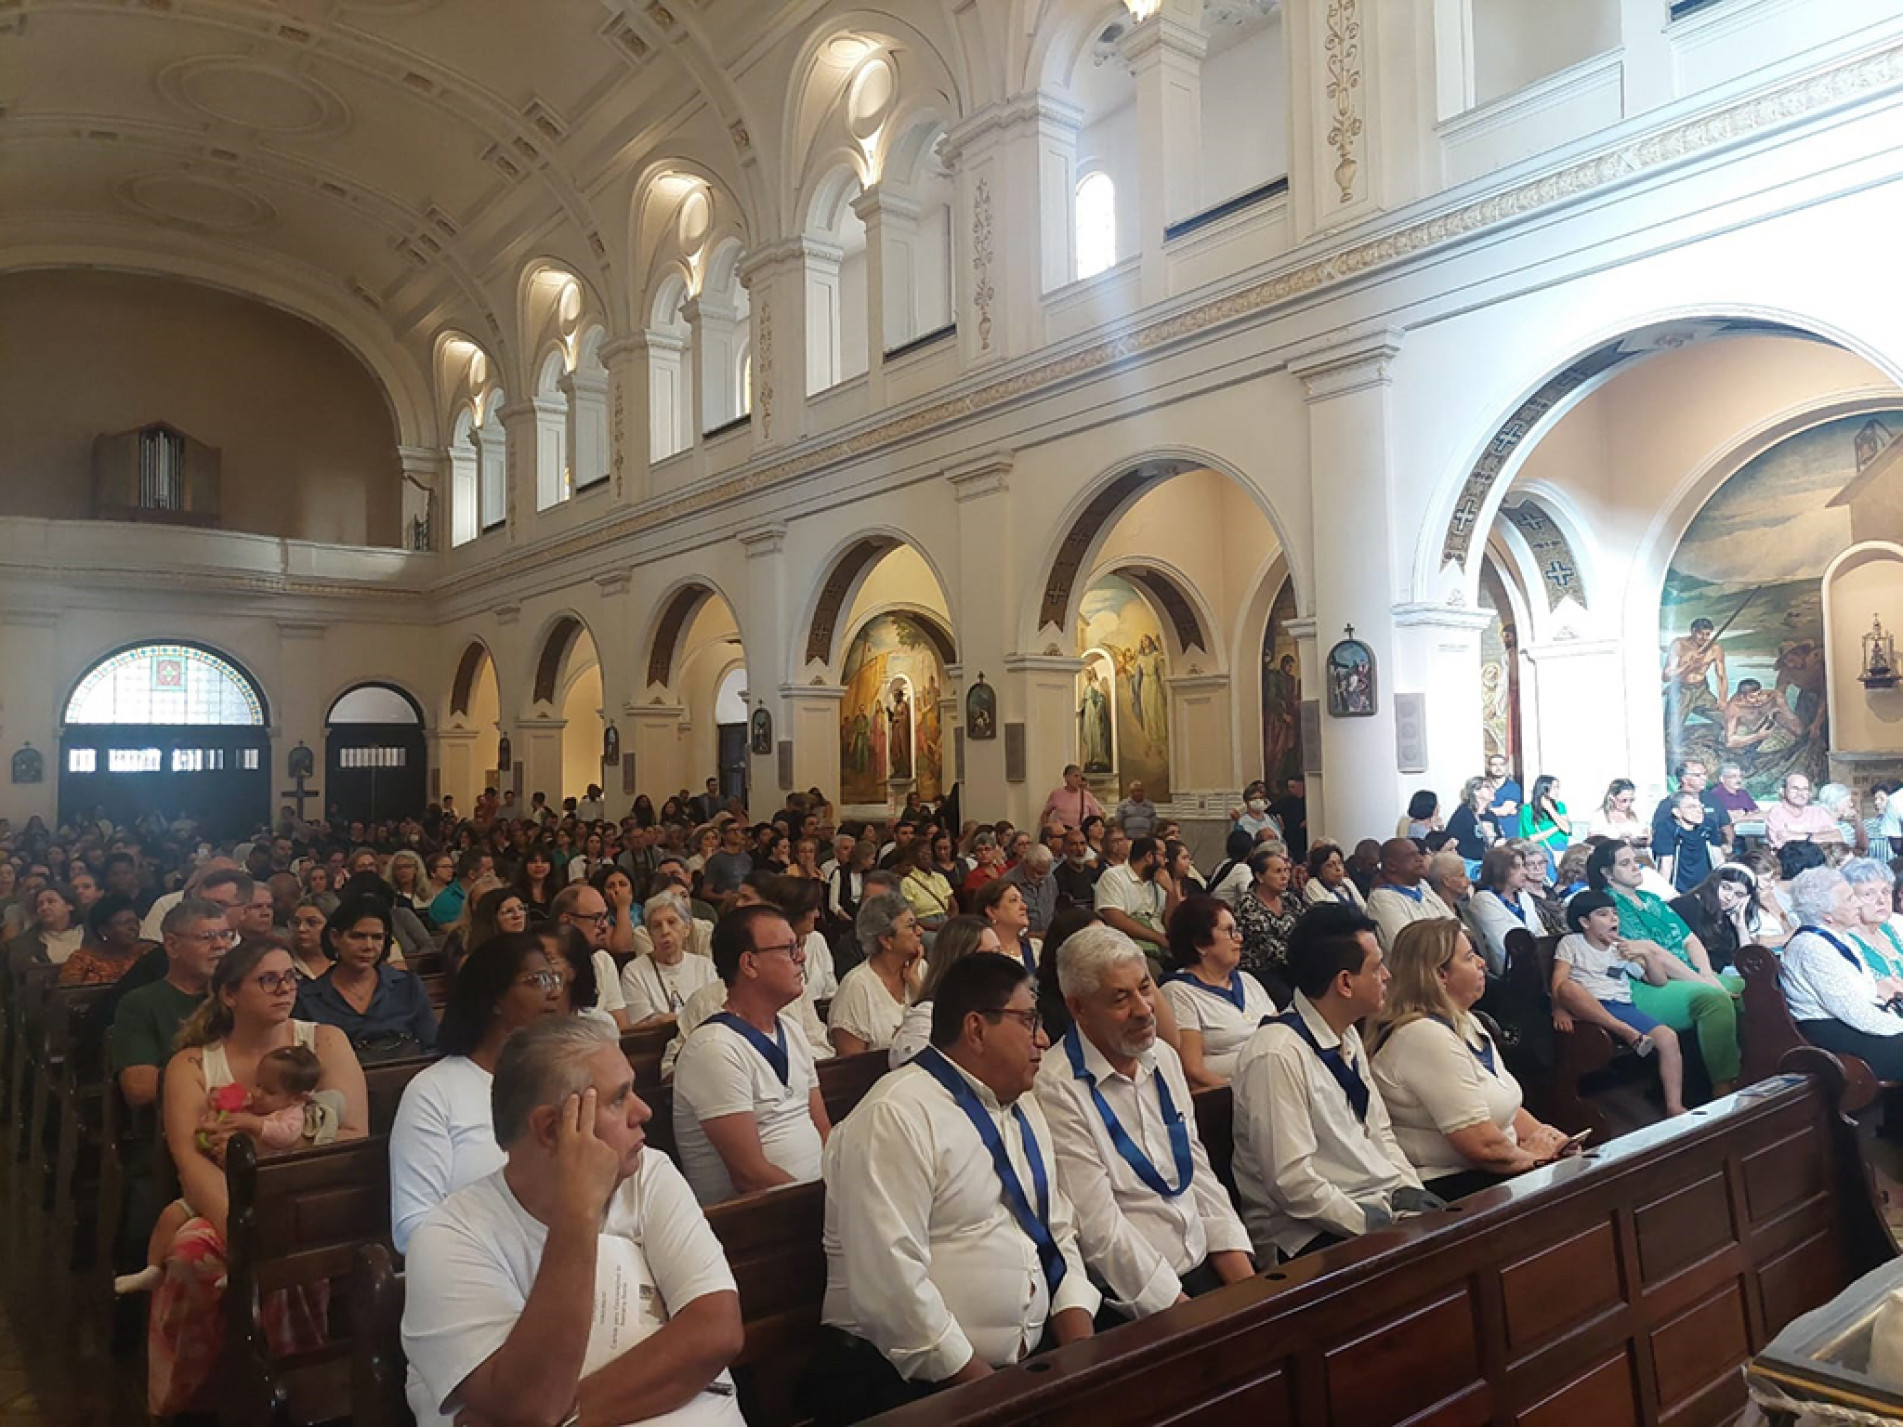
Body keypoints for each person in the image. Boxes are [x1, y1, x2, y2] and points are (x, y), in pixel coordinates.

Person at [400, 1016, 745, 1427]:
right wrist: (579, 1211)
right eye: (619, 1099)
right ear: (551, 1128)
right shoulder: (450, 1237)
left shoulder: (649, 1172)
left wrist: (567, 1419)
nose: (644, 1110)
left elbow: (716, 1331)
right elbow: (531, 1403)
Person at [807, 956, 1098, 1423]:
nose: (1043, 1039)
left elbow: (1057, 1232)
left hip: (1019, 1374)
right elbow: (892, 1288)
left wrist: (1082, 1357)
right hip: (909, 1385)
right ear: (977, 1029)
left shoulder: (1023, 1106)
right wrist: (994, 1397)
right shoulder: (896, 1115)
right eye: (1028, 1021)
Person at [149, 940, 368, 1413]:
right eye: (268, 980)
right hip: (221, 1202)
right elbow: (190, 1161)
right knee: (189, 1254)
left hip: (308, 1197)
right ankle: (194, 1398)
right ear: (229, 994)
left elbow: (352, 1135)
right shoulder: (192, 1064)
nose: (285, 988)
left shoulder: (324, 1041)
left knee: (293, 1256)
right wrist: (242, 1233)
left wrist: (275, 1146)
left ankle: (296, 1389)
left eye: (290, 977)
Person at [1035, 924, 1253, 1318]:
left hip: (1203, 1267)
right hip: (1138, 1300)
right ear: (1077, 1007)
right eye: (1121, 998)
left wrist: (1249, 1290)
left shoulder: (1164, 1058)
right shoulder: (1056, 1087)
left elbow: (1199, 1176)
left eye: (1145, 987)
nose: (1143, 1009)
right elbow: (1100, 1229)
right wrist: (1188, 1316)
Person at [1230, 905, 1436, 1260]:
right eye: (1376, 968)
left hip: (1376, 1205)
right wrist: (1375, 1226)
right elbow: (1292, 1183)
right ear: (1344, 982)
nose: (1387, 976)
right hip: (1307, 1235)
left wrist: (1412, 1198)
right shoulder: (1276, 1054)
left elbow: (1381, 1134)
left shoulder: (1347, 1035)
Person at [1368, 921, 1573, 1199]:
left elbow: (1502, 1108)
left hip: (1498, 1170)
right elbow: (1482, 1146)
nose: (1482, 963)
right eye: (1468, 957)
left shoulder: (1467, 1021)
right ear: (1440, 975)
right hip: (1454, 1189)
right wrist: (1535, 1159)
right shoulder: (1422, 1035)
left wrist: (1552, 1138)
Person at [389, 932, 564, 1254]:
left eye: (554, 978)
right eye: (536, 980)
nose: (552, 993)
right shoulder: (432, 1092)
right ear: (495, 998)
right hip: (479, 1268)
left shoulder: (561, 1081)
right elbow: (411, 1227)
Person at [671, 905, 830, 1205]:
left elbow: (823, 1129)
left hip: (811, 1207)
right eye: (788, 948)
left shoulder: (792, 1031)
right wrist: (828, 1204)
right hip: (757, 1225)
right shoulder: (713, 1049)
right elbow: (749, 1175)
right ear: (749, 963)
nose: (802, 957)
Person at [1587, 841, 1740, 1095]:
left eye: (1634, 860)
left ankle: (1750, 1070)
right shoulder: (1610, 906)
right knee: (1714, 998)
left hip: (1688, 974)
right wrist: (1703, 982)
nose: (1636, 866)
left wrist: (1704, 973)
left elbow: (1690, 940)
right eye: (1625, 863)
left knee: (1741, 986)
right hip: (1648, 982)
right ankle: (1722, 1085)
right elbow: (1652, 953)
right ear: (1607, 873)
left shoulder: (1651, 899)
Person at [1550, 889, 1688, 1114]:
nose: (1613, 919)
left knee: (1668, 1037)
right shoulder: (1572, 942)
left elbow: (1658, 981)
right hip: (1586, 1006)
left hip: (1621, 1007)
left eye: (1614, 914)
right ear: (1584, 922)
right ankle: (1626, 1032)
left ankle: (1674, 1104)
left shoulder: (1620, 949)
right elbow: (1558, 980)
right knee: (1568, 987)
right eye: (1603, 914)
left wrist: (1646, 955)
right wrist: (1559, 1009)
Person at [1779, 866, 1903, 1079]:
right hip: (1836, 1037)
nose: (1857, 903)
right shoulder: (1810, 947)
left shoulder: (1838, 937)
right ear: (1827, 915)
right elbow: (1856, 1014)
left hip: (1859, 1026)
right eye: (1849, 899)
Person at [110, 899, 230, 1109]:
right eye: (207, 937)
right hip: (177, 1117)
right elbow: (140, 1088)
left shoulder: (238, 994)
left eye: (226, 935)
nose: (221, 945)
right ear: (173, 945)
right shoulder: (141, 1003)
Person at [294, 895, 439, 1056]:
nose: (368, 946)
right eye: (357, 936)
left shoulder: (407, 986)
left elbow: (432, 1046)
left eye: (377, 937)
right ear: (335, 937)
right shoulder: (308, 998)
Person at [1162, 895, 1277, 1089]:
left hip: (1273, 1081)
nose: (1239, 938)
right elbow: (1193, 1070)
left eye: (1237, 930)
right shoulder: (1179, 992)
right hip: (1228, 1099)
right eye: (1229, 931)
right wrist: (1241, 1093)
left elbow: (1278, 1033)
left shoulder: (1247, 981)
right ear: (1201, 944)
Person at [889, 917, 1008, 1068]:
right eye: (989, 956)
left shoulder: (1002, 1011)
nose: (1000, 965)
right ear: (959, 962)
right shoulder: (924, 1019)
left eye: (999, 954)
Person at [828, 891, 923, 1055]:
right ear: (886, 940)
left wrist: (915, 983)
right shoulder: (856, 987)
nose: (920, 931)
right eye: (911, 926)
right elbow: (852, 1067)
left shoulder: (920, 969)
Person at [620, 890, 721, 1027]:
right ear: (650, 934)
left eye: (672, 922)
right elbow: (640, 1026)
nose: (665, 931)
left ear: (687, 928)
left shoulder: (704, 966)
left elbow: (717, 1014)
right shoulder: (634, 972)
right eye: (657, 926)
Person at [550, 883, 633, 1031]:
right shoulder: (543, 966)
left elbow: (622, 1027)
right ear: (566, 921)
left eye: (605, 916)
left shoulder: (603, 960)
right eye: (596, 918)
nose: (605, 925)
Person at [1467, 845, 1551, 977]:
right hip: (1511, 975)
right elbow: (1501, 946)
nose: (1525, 872)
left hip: (1538, 966)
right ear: (1499, 870)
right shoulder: (1483, 900)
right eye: (1517, 867)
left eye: (1523, 866)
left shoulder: (1523, 896)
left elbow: (1541, 933)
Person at [1669, 864, 1765, 974]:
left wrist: (1741, 927)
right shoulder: (1685, 906)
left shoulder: (1730, 917)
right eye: (1726, 887)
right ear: (1714, 883)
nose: (1729, 897)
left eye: (1738, 895)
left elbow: (1749, 966)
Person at [1365, 838, 1455, 952]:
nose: (1420, 859)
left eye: (1418, 853)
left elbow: (1456, 925)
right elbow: (1407, 946)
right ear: (1391, 865)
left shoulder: (1423, 886)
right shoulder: (1381, 898)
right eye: (1411, 856)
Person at [1233, 844, 1298, 1001]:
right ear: (1260, 876)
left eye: (1286, 871)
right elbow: (1265, 945)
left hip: (1290, 964)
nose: (1284, 877)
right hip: (1260, 969)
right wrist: (1300, 956)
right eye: (1277, 872)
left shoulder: (1290, 900)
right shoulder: (1248, 903)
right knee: (1288, 997)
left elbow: (1304, 930)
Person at [1093, 835, 1171, 960]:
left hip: (1162, 948)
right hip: (1129, 949)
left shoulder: (1159, 879)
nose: (1166, 861)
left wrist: (1171, 891)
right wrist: (1158, 938)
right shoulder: (1114, 876)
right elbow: (1116, 919)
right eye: (1163, 855)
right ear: (1149, 857)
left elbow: (1170, 921)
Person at [58, 892, 149, 986]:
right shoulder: (82, 960)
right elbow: (68, 997)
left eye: (135, 922)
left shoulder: (148, 953)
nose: (133, 928)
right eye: (124, 923)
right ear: (103, 930)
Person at [1656, 790, 1724, 894]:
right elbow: (1666, 864)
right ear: (1677, 812)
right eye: (1691, 807)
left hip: (1706, 886)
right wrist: (1662, 895)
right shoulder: (1666, 827)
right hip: (1679, 888)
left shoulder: (1708, 825)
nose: (1699, 811)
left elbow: (1718, 858)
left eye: (1700, 806)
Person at [974, 875, 1038, 975]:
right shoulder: (982, 956)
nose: (1024, 906)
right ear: (992, 911)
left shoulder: (1036, 949)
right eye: (1013, 900)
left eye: (1022, 900)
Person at [1765, 773, 1844, 849]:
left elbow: (1838, 837)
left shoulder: (1818, 812)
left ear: (1810, 794)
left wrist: (1803, 836)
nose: (1800, 793)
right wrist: (1821, 838)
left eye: (1805, 789)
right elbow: (1784, 846)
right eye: (1795, 788)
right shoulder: (1776, 812)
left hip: (1820, 861)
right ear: (1782, 791)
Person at [1517, 775, 1571, 880]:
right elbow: (1532, 837)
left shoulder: (1560, 806)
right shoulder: (1528, 809)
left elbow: (1566, 828)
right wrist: (1556, 828)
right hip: (1542, 849)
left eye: (1558, 787)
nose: (1557, 791)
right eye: (1554, 787)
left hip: (1561, 848)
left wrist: (1551, 810)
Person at [999, 844, 1058, 937]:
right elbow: (1004, 922)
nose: (1041, 877)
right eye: (1037, 872)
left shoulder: (1050, 879)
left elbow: (1054, 909)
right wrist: (1035, 936)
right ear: (1025, 863)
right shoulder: (1008, 883)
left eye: (1044, 873)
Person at [898, 839, 956, 933]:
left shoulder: (940, 878)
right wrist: (934, 927)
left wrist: (948, 923)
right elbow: (909, 915)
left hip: (945, 920)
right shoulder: (907, 882)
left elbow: (954, 907)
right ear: (913, 857)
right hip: (924, 925)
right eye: (921, 852)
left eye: (928, 851)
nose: (926, 855)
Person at [1444, 778, 1500, 866]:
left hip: (1488, 862)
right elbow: (1451, 838)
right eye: (1487, 787)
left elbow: (1498, 838)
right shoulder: (1463, 814)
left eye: (1493, 787)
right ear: (1475, 791)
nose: (1493, 790)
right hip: (1468, 863)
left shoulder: (1491, 815)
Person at [1302, 842, 1367, 912]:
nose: (1338, 869)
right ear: (1318, 870)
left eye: (1339, 863)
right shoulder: (1313, 885)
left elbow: (1364, 909)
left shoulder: (1347, 882)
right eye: (1330, 865)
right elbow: (1326, 914)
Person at [429, 849, 487, 928]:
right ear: (472, 874)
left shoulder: (491, 894)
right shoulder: (445, 901)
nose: (493, 874)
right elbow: (457, 936)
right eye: (489, 870)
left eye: (451, 867)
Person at [1040, 764, 1105, 834]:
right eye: (1076, 776)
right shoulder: (1056, 794)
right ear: (1066, 777)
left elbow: (1098, 817)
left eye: (1080, 776)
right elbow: (1045, 814)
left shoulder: (1086, 795)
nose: (1078, 779)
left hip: (1081, 833)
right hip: (1063, 833)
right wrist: (1048, 829)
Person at [1588, 779, 1650, 847]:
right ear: (1612, 797)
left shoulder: (1636, 815)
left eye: (1631, 800)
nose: (1628, 804)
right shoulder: (1600, 816)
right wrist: (1618, 841)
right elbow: (1592, 842)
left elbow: (1647, 839)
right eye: (1624, 800)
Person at [1053, 827, 1101, 910]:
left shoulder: (1093, 873)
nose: (1079, 849)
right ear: (1064, 847)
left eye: (1082, 843)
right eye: (1073, 844)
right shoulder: (1058, 876)